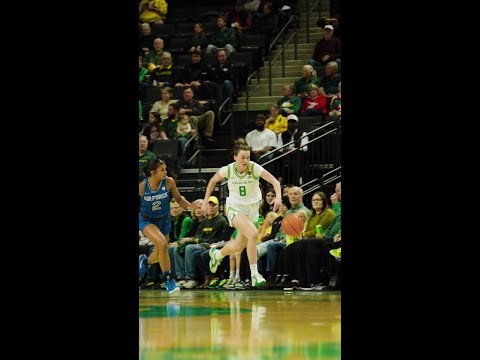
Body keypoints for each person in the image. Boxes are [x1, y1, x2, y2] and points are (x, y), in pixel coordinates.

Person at [203, 138, 282, 287]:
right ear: (235, 157)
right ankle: (255, 274)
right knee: (253, 234)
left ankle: (217, 254)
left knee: (239, 245)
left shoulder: (254, 168)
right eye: (242, 158)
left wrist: (278, 197)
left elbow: (275, 182)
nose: (246, 161)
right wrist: (206, 200)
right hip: (234, 207)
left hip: (251, 209)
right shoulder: (229, 169)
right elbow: (213, 181)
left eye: (248, 157)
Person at [139, 158, 197, 293]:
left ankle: (144, 262)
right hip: (147, 220)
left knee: (160, 253)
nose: (166, 172)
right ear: (153, 172)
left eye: (165, 169)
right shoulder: (143, 186)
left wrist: (190, 205)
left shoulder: (169, 182)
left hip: (164, 220)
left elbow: (178, 199)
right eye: (162, 170)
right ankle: (169, 281)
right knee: (162, 244)